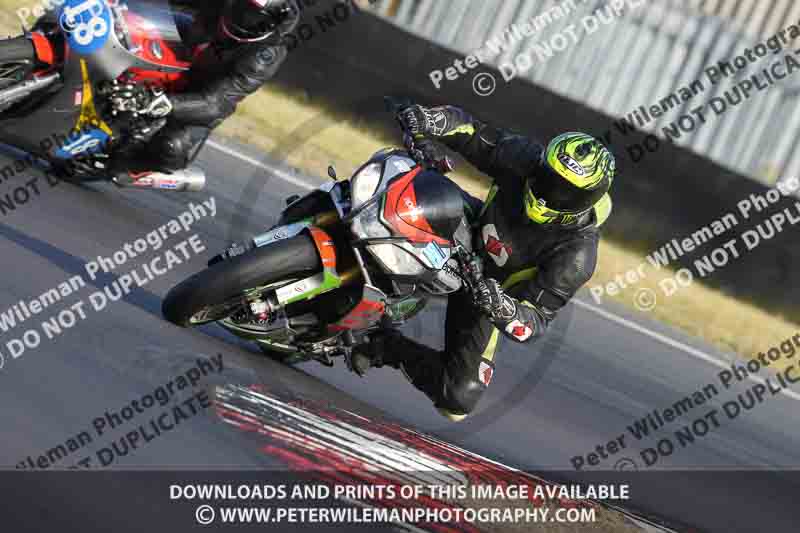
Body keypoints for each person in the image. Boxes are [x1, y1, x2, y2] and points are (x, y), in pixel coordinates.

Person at [351, 104, 616, 422]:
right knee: (407, 179)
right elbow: (472, 132)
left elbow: (535, 322)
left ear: (587, 200)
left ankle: (384, 345)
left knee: (457, 398)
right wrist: (430, 120)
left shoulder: (576, 255)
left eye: (565, 192)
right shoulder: (525, 158)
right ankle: (339, 209)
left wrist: (501, 306)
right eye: (548, 178)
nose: (549, 193)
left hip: (486, 291)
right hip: (465, 228)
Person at [63, 0, 301, 187]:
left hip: (200, 96)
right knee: (130, 30)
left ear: (268, 23)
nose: (240, 17)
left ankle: (117, 167)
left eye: (251, 16)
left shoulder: (265, 54)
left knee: (172, 147)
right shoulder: (220, 9)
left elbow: (216, 103)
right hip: (189, 45)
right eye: (239, 5)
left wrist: (165, 103)